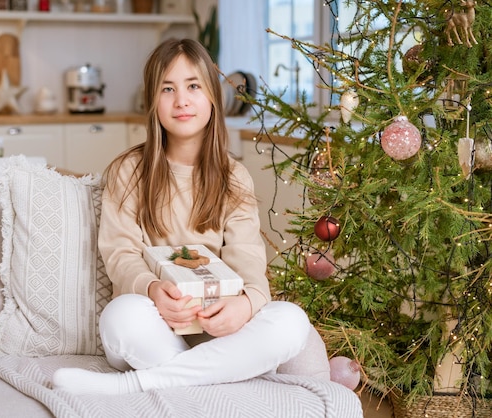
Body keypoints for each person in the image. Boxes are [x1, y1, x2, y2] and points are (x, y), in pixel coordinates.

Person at [52, 38, 325, 396]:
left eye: (193, 86)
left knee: (291, 321)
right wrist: (152, 289)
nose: (181, 100)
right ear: (153, 101)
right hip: (155, 330)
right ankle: (219, 375)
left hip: (219, 333)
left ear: (212, 95)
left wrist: (245, 305)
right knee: (121, 315)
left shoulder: (234, 177)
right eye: (168, 88)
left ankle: (138, 385)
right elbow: (120, 254)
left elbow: (250, 263)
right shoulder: (128, 170)